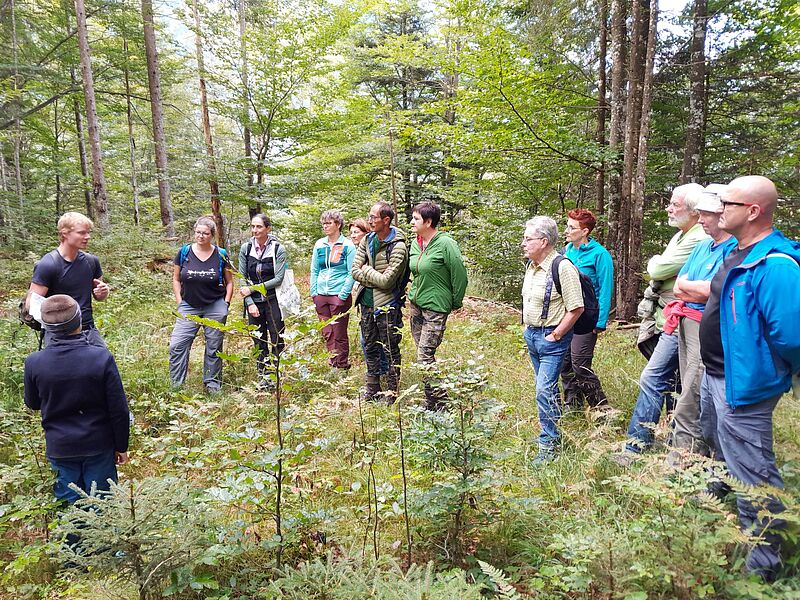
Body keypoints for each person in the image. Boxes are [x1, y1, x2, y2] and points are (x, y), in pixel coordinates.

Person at [698, 176, 800, 581]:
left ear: (753, 211)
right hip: (715, 374)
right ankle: (717, 522)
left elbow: (791, 336)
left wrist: (767, 371)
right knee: (720, 451)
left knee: (752, 472)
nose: (721, 208)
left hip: (744, 385)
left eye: (728, 203)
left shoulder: (776, 263)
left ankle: (764, 570)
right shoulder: (737, 252)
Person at [617, 183, 708, 460]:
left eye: (674, 204)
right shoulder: (682, 235)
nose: (668, 208)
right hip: (668, 317)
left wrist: (659, 263)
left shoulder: (699, 238)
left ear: (694, 211)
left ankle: (639, 446)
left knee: (663, 380)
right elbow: (661, 268)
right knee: (670, 382)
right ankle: (663, 441)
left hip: (687, 319)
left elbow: (658, 267)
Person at [24, 295, 130, 505]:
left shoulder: (34, 362)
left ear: (45, 326)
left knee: (69, 510)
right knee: (103, 505)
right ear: (79, 321)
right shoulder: (101, 357)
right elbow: (118, 409)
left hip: (60, 447)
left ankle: (72, 539)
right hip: (98, 444)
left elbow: (33, 403)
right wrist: (121, 446)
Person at [666, 186, 736, 459]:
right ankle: (695, 454)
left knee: (693, 393)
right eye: (701, 213)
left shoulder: (733, 249)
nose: (702, 219)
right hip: (686, 321)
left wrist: (694, 288)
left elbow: (713, 291)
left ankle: (683, 460)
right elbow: (679, 286)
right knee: (689, 387)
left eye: (707, 214)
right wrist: (695, 288)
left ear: (723, 214)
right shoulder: (703, 246)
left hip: (707, 327)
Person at [521, 216, 584, 463]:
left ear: (544, 241)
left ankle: (548, 445)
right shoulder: (531, 266)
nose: (524, 243)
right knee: (546, 389)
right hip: (533, 336)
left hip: (552, 339)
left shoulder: (562, 267)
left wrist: (556, 335)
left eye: (528, 239)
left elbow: (576, 308)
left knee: (543, 390)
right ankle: (554, 433)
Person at [408, 201, 468, 410]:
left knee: (424, 356)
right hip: (416, 304)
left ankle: (439, 402)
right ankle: (434, 399)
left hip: (436, 306)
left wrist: (454, 301)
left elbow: (459, 274)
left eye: (415, 219)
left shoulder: (446, 243)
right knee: (423, 355)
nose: (411, 222)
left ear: (428, 221)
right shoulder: (415, 243)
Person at [351, 201, 409, 402]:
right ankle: (372, 387)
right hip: (365, 302)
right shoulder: (367, 240)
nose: (370, 221)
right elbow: (354, 270)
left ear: (386, 220)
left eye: (374, 217)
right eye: (369, 217)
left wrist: (367, 269)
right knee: (369, 345)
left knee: (390, 347)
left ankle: (392, 392)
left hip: (388, 305)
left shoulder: (399, 246)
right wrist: (370, 274)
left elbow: (387, 282)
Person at [25, 212, 110, 347]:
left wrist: (103, 293)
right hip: (58, 335)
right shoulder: (48, 264)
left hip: (88, 329)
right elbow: (31, 304)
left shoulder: (91, 261)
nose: (87, 237)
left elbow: (99, 295)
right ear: (64, 233)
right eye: (81, 233)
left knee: (103, 364)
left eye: (88, 232)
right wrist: (57, 323)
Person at [169, 217, 234, 394]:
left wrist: (226, 303)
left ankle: (212, 385)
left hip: (215, 305)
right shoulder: (184, 252)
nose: (201, 236)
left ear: (212, 235)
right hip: (189, 306)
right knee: (177, 345)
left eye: (205, 233)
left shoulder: (221, 254)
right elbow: (176, 279)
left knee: (213, 346)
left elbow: (229, 281)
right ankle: (177, 386)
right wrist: (179, 302)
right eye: (198, 232)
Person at [559, 208, 613, 409]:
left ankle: (601, 408)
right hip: (567, 315)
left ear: (585, 231)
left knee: (580, 365)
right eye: (567, 226)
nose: (567, 230)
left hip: (588, 318)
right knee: (565, 363)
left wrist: (600, 322)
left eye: (572, 227)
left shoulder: (600, 255)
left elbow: (606, 289)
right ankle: (572, 405)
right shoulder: (566, 252)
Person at [239, 213, 287, 389]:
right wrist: (250, 302)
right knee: (258, 340)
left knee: (276, 336)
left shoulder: (277, 249)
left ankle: (276, 374)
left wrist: (252, 288)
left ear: (268, 228)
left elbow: (278, 279)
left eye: (259, 227)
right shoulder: (246, 248)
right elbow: (241, 277)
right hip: (254, 303)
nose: (255, 230)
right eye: (252, 226)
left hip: (273, 299)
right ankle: (263, 376)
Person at [310, 210, 356, 369]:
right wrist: (314, 293)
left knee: (339, 332)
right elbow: (314, 270)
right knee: (327, 332)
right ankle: (332, 363)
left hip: (339, 295)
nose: (325, 226)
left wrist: (343, 294)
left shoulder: (348, 245)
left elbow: (352, 272)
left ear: (338, 224)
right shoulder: (319, 244)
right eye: (323, 223)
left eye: (328, 223)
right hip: (321, 296)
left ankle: (342, 365)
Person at [350, 218, 389, 377]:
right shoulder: (358, 252)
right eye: (351, 232)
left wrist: (365, 273)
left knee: (382, 341)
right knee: (366, 341)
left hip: (382, 300)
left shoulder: (377, 249)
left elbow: (384, 279)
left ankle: (385, 373)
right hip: (365, 300)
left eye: (356, 232)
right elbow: (355, 272)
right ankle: (374, 375)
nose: (353, 236)